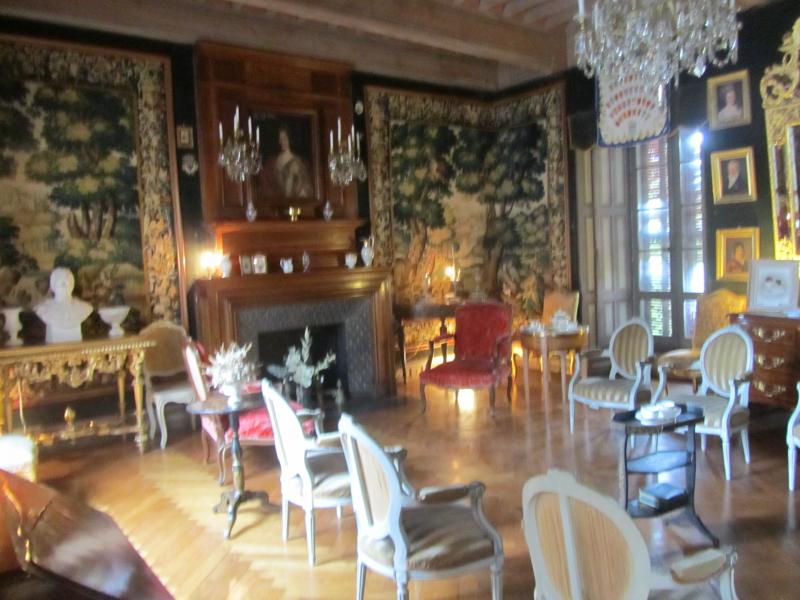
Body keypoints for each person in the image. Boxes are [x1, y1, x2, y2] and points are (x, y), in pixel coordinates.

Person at [34, 268, 93, 343]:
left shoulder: (84, 308)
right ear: (54, 286)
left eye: (69, 283)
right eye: (62, 284)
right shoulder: (43, 308)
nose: (66, 287)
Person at [261, 127, 313, 199]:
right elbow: (266, 184)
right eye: (280, 139)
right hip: (277, 201)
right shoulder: (272, 161)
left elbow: (305, 185)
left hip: (295, 201)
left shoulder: (299, 161)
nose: (282, 142)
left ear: (290, 139)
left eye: (284, 138)